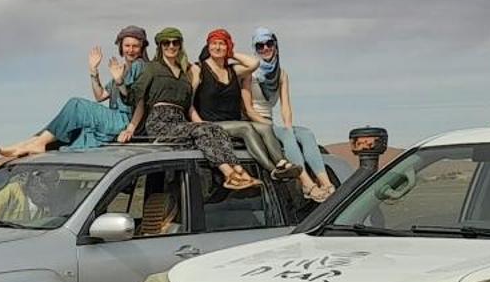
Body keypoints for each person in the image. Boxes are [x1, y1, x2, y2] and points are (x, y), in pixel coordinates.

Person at [117, 28, 263, 191]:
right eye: (166, 43)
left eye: (175, 43)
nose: (171, 46)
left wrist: (202, 124)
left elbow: (189, 106)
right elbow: (135, 99)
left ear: (180, 46)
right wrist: (120, 84)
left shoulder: (184, 72)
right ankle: (229, 174)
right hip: (160, 122)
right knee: (203, 131)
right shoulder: (152, 68)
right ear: (160, 46)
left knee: (214, 129)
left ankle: (240, 172)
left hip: (180, 120)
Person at [0, 26, 148, 158]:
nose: (131, 50)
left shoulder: (140, 67)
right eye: (127, 45)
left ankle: (37, 142)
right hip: (114, 118)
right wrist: (93, 71)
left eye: (135, 46)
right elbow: (100, 96)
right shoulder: (122, 69)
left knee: (76, 105)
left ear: (142, 47)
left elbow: (139, 102)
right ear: (121, 47)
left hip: (124, 120)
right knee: (71, 127)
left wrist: (130, 130)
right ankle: (29, 143)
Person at [192, 29, 301, 182]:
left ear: (228, 46)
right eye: (214, 44)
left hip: (233, 122)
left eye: (222, 44)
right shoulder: (199, 69)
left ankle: (282, 163)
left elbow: (254, 63)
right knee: (246, 128)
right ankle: (272, 170)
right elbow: (189, 100)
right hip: (212, 124)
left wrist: (231, 53)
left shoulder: (233, 70)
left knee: (265, 127)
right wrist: (199, 124)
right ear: (208, 47)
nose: (217, 47)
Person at [242, 27, 337, 200]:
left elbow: (286, 106)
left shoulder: (281, 74)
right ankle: (307, 184)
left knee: (305, 133)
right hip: (255, 122)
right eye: (259, 46)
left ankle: (327, 184)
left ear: (275, 46)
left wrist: (287, 125)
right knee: (287, 135)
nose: (265, 49)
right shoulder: (250, 73)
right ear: (254, 49)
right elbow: (247, 108)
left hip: (271, 122)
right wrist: (275, 128)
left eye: (269, 44)